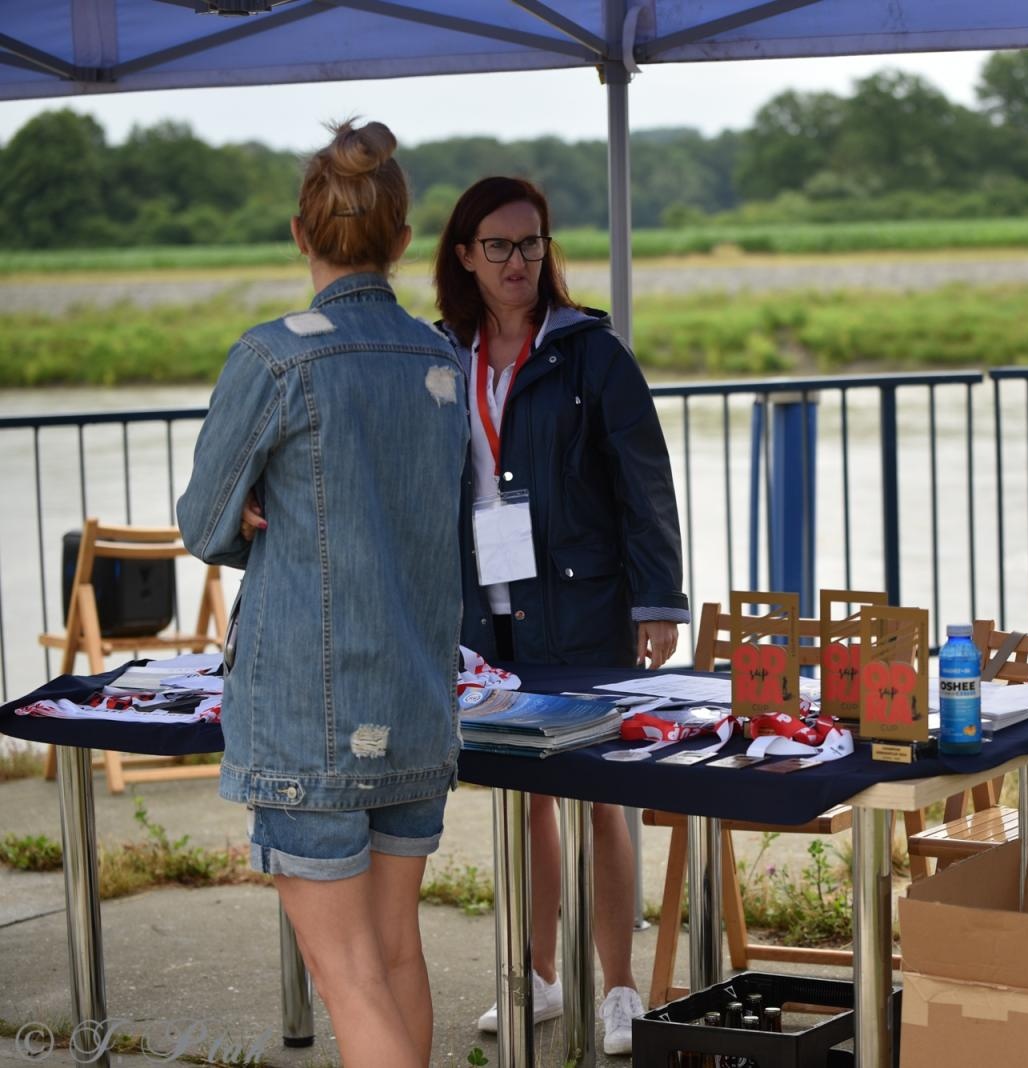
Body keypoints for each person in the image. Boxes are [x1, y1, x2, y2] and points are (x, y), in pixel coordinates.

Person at [177, 121, 466, 1068]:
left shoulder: (273, 357)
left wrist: (256, 501)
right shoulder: (441, 360)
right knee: (393, 954)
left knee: (344, 976)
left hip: (309, 708)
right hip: (419, 698)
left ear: (301, 234)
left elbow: (205, 523)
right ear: (402, 239)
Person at [434, 176, 689, 1056]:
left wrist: (659, 601)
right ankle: (537, 978)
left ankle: (619, 989)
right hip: (485, 623)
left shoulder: (591, 353)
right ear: (464, 255)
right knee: (523, 803)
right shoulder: (439, 356)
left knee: (599, 800)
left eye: (532, 243)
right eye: (499, 246)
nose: (519, 261)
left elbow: (643, 480)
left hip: (583, 610)